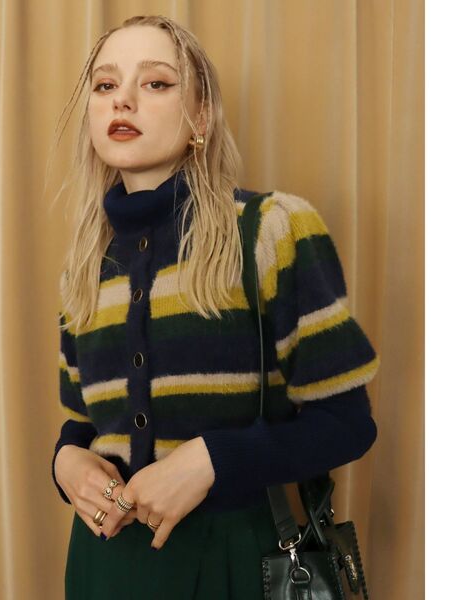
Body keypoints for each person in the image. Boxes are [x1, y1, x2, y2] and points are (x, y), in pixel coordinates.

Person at [51, 14, 380, 599]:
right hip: (103, 567)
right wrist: (65, 461)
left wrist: (210, 462)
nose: (122, 99)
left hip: (239, 563)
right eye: (105, 85)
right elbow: (88, 423)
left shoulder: (272, 231)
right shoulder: (84, 268)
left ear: (200, 118)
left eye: (155, 82)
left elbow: (348, 425)